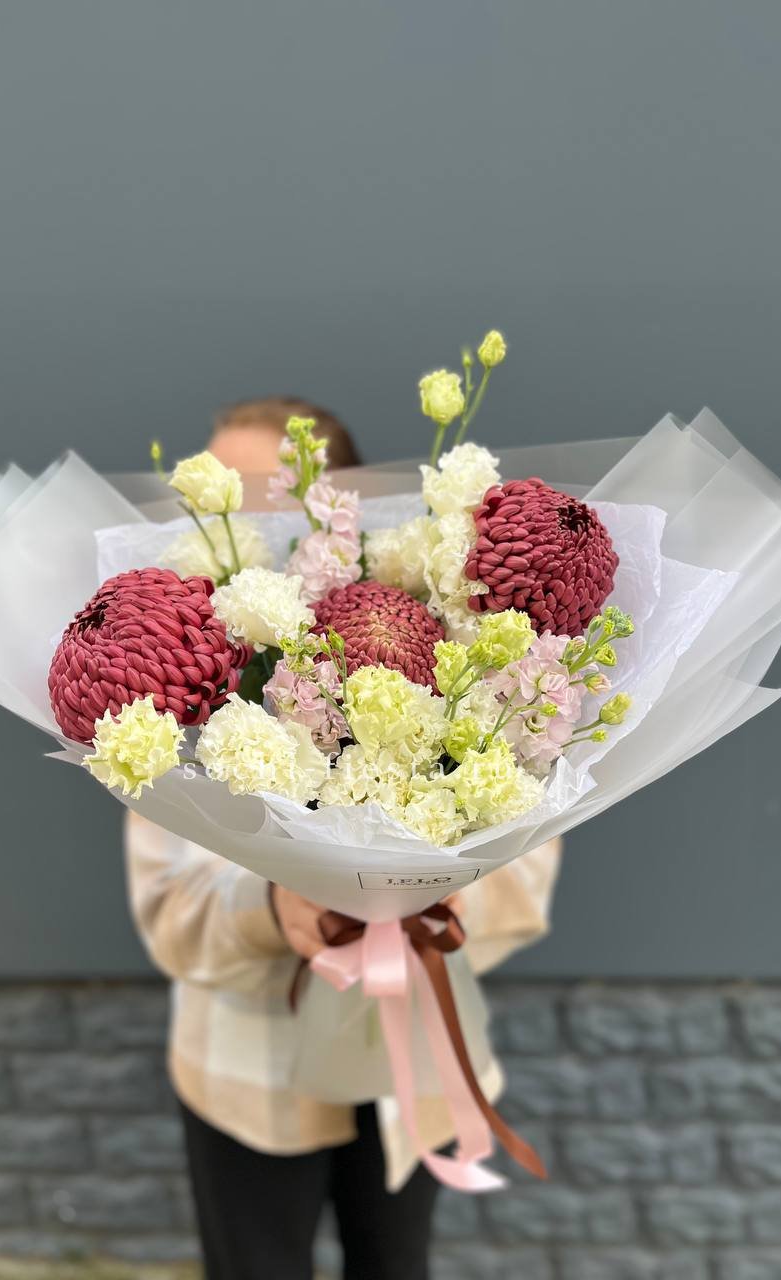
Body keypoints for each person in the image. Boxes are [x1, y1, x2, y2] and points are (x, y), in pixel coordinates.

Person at [126, 396, 562, 1280]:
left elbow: (524, 886)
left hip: (415, 1071)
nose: (233, 519)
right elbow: (168, 912)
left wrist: (417, 902)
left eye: (260, 496)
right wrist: (274, 907)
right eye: (213, 498)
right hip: (246, 1076)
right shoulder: (171, 692)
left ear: (336, 507)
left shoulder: (459, 650)